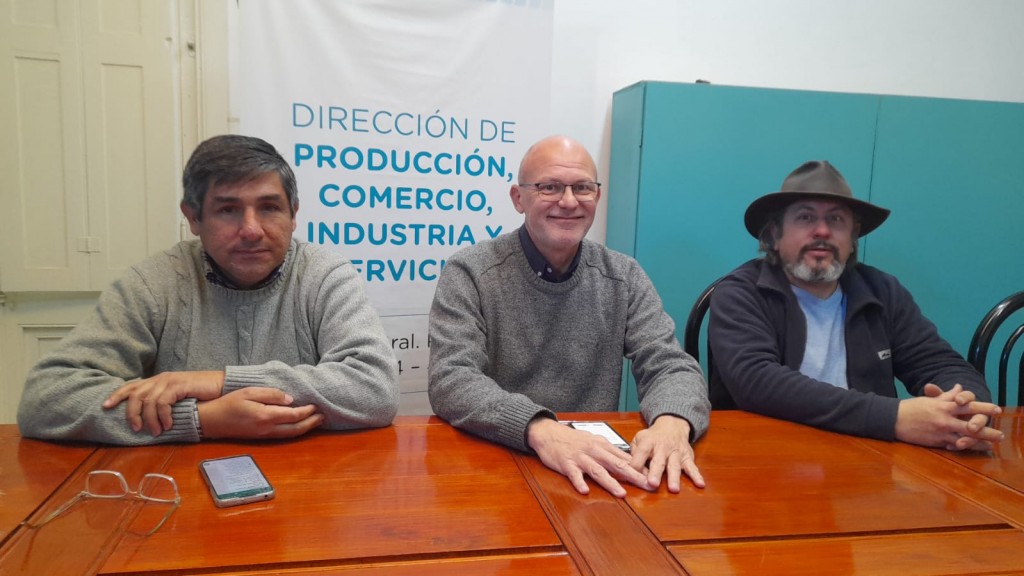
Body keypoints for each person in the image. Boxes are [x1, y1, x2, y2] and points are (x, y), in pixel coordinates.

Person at [18, 134, 399, 445]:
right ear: (193, 217)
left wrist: (217, 381)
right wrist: (203, 419)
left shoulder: (325, 275)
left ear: (293, 214)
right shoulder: (154, 283)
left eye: (269, 207)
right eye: (228, 210)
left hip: (310, 489)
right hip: (178, 490)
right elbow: (46, 399)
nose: (251, 230)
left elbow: (375, 390)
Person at [428, 135, 710, 498]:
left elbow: (670, 365)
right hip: (500, 463)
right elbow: (451, 378)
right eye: (549, 187)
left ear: (598, 196)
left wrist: (673, 420)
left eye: (582, 187)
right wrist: (541, 430)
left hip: (595, 471)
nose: (568, 201)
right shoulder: (470, 271)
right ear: (518, 198)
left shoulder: (623, 275)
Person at [708, 160, 1004, 451]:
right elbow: (756, 382)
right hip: (762, 456)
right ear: (774, 235)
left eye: (836, 220)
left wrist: (967, 410)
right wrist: (893, 418)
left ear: (852, 238)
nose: (822, 231)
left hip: (868, 458)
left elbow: (940, 364)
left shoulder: (883, 291)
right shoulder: (741, 292)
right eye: (805, 218)